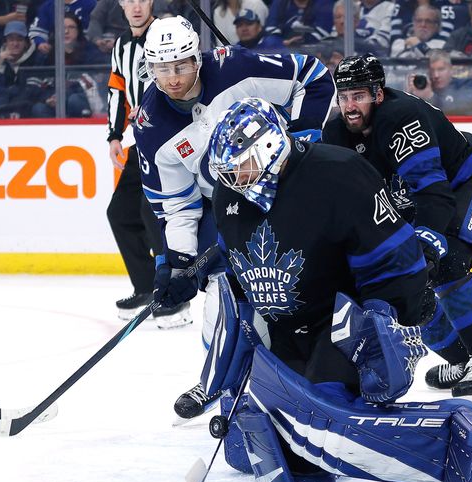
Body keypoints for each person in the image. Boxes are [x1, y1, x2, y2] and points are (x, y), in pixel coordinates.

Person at [205, 97, 472, 482]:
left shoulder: (339, 173)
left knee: (325, 422)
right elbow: (235, 268)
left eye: (241, 166)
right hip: (290, 326)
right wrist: (191, 270)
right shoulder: (232, 195)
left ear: (271, 149)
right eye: (227, 170)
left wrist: (390, 318)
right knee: (296, 445)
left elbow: (394, 251)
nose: (233, 178)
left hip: (347, 323)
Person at [132, 15, 336, 419]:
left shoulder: (237, 68)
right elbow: (177, 206)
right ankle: (223, 380)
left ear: (197, 58)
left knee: (299, 280)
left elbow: (313, 77)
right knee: (224, 290)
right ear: (149, 69)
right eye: (161, 69)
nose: (172, 79)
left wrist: (304, 145)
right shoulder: (151, 126)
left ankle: (308, 371)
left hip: (286, 184)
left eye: (181, 66)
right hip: (224, 203)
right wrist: (178, 262)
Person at [323, 53, 472, 399]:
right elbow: (342, 201)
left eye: (358, 95)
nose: (350, 106)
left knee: (447, 264)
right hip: (415, 201)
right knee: (406, 286)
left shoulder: (402, 119)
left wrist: (431, 244)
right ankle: (464, 360)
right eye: (343, 97)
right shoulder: (335, 132)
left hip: (471, 182)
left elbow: (435, 193)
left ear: (378, 94)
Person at [106, 0, 191, 327]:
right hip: (137, 140)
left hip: (167, 138)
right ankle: (145, 288)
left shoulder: (166, 33)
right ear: (121, 5)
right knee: (120, 212)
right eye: (130, 0)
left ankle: (173, 292)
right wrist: (114, 135)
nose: (137, 6)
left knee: (151, 211)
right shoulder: (121, 45)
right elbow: (117, 91)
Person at [0, 20, 50, 118]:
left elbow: (32, 92)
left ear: (26, 42)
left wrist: (8, 91)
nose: (15, 44)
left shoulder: (37, 59)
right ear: (5, 42)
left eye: (19, 39)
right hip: (2, 107)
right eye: (11, 39)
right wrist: (0, 65)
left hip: (25, 109)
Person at [407, 50, 472, 116]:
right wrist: (409, 94)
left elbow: (460, 111)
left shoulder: (466, 85)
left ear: (451, 70)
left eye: (441, 69)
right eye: (432, 70)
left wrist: (431, 97)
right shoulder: (422, 87)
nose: (436, 75)